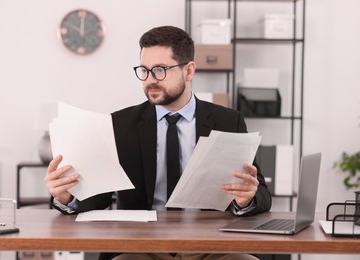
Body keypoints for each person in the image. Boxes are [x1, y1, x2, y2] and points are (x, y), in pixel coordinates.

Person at [45, 25, 271, 260]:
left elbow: (261, 193)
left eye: (160, 70)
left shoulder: (228, 120)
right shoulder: (120, 123)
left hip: (210, 242)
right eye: (144, 70)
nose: (150, 80)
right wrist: (67, 197)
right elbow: (99, 198)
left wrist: (246, 199)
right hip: (141, 244)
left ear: (189, 70)